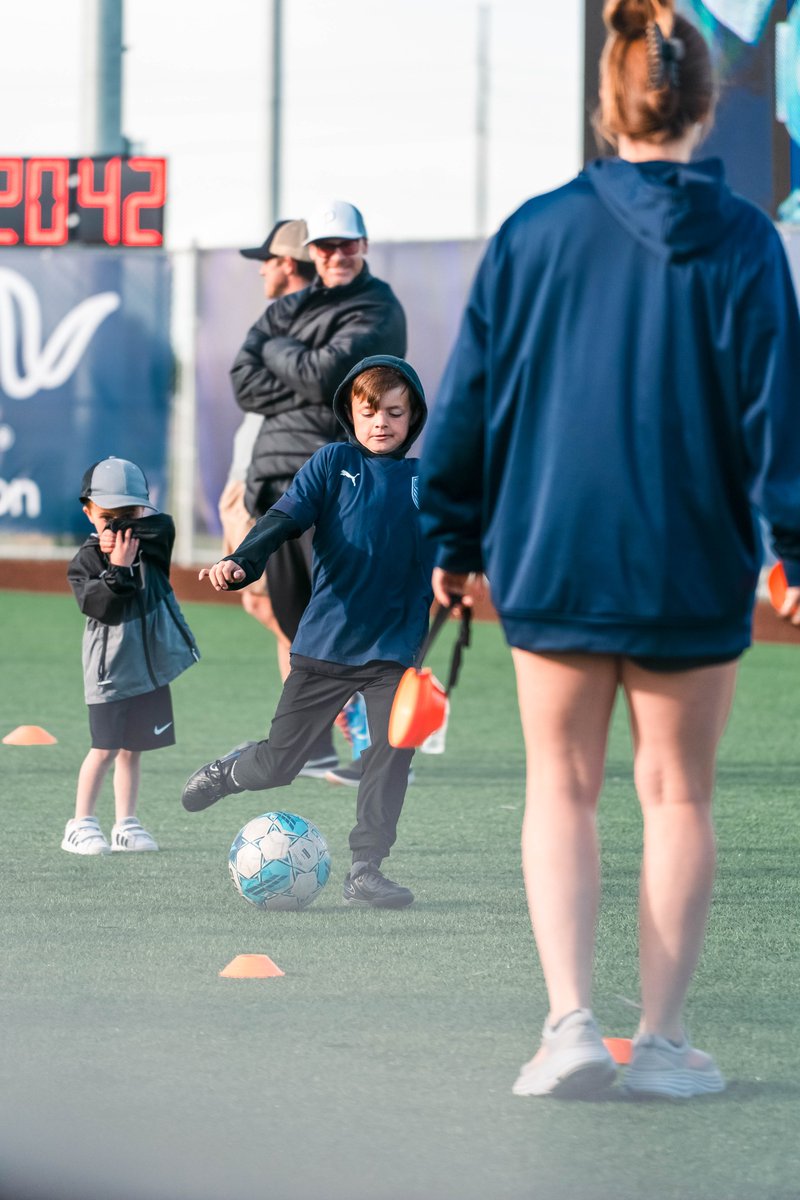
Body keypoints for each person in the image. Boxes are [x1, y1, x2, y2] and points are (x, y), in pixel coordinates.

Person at [419, 0, 800, 1100]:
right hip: (693, 558)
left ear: (608, 101)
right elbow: (777, 415)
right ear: (700, 111)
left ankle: (569, 1027)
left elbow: (469, 407)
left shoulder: (532, 231)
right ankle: (663, 1044)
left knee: (563, 786)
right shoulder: (746, 242)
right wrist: (791, 545)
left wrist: (448, 533)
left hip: (555, 553)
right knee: (676, 795)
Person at [182, 356, 433, 909]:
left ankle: (366, 869)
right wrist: (241, 563)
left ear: (412, 416)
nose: (381, 423)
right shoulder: (333, 462)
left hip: (394, 649)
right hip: (327, 644)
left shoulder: (425, 480)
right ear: (350, 411)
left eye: (395, 412)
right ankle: (230, 771)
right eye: (369, 412)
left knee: (392, 751)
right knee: (279, 765)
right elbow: (281, 520)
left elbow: (470, 540)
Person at [230, 199, 407, 777]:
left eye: (346, 245)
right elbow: (242, 379)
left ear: (363, 245)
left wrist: (283, 354)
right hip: (277, 480)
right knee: (294, 623)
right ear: (311, 253)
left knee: (349, 621)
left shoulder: (378, 307)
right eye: (325, 247)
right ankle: (316, 744)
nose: (336, 255)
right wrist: (305, 373)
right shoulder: (292, 304)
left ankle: (372, 747)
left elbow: (327, 377)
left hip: (342, 484)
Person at [63, 457, 200, 855]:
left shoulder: (152, 541)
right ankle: (81, 823)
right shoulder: (87, 559)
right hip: (111, 674)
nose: (117, 525)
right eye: (107, 516)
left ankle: (126, 823)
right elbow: (99, 605)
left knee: (132, 749)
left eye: (128, 514)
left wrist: (123, 532)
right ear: (88, 512)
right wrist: (116, 567)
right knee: (104, 749)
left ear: (143, 509)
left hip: (149, 669)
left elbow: (165, 526)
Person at [219, 218, 317, 685]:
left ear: (288, 262)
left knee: (277, 601)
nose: (261, 271)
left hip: (276, 483)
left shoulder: (307, 322)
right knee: (271, 602)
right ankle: (312, 738)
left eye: (268, 261)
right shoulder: (284, 318)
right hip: (256, 474)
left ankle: (337, 688)